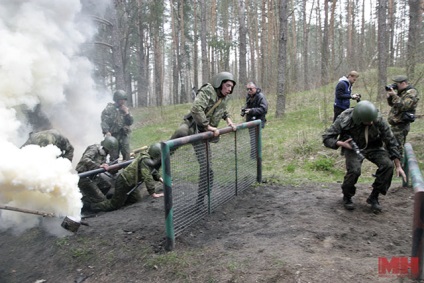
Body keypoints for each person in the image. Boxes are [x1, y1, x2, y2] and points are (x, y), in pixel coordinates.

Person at [322, 100, 406, 213]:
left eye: (372, 120)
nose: (371, 123)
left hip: (374, 146)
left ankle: (374, 197)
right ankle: (347, 196)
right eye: (368, 121)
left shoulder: (377, 119)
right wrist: (342, 143)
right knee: (354, 171)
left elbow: (391, 141)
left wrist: (398, 165)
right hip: (352, 147)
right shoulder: (344, 119)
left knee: (387, 166)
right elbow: (327, 138)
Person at [169, 71, 237, 207]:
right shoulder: (208, 90)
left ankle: (201, 200)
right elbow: (196, 108)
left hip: (203, 135)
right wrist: (208, 126)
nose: (230, 89)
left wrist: (229, 121)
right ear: (220, 83)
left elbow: (223, 110)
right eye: (228, 86)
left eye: (231, 87)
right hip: (193, 125)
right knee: (180, 133)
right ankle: (159, 159)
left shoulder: (224, 97)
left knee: (207, 168)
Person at [89, 143, 164, 212]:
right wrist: (153, 193)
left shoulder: (147, 158)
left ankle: (118, 197)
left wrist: (161, 179)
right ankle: (93, 206)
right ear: (156, 155)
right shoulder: (145, 160)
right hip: (124, 182)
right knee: (114, 205)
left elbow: (152, 171)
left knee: (135, 199)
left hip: (130, 183)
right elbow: (147, 176)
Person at [76, 136, 119, 207]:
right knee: (103, 202)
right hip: (84, 177)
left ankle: (92, 199)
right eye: (111, 150)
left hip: (93, 176)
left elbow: (104, 166)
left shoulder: (104, 153)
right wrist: (98, 166)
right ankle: (90, 205)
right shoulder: (94, 149)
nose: (111, 152)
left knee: (106, 186)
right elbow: (85, 159)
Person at [386, 75, 419, 160]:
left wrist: (394, 95)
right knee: (390, 146)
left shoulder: (411, 92)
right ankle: (392, 168)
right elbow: (393, 105)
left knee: (398, 148)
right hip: (396, 123)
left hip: (401, 124)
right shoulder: (402, 92)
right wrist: (390, 97)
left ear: (403, 83)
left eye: (396, 84)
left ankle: (399, 169)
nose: (395, 86)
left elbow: (405, 106)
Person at [101, 89, 134, 161]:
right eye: (121, 100)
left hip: (123, 135)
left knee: (127, 154)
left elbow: (130, 122)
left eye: (124, 100)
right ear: (116, 99)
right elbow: (104, 122)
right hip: (113, 136)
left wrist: (126, 113)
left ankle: (127, 170)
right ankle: (114, 171)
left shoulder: (125, 109)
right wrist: (106, 131)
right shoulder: (109, 109)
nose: (123, 101)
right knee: (114, 156)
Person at [242, 82, 268, 159]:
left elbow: (264, 109)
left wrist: (251, 111)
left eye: (251, 89)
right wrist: (244, 110)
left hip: (258, 120)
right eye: (247, 89)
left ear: (255, 88)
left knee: (256, 138)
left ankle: (257, 155)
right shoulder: (248, 96)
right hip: (250, 120)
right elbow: (247, 106)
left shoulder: (260, 96)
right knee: (252, 138)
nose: (249, 90)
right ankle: (253, 154)